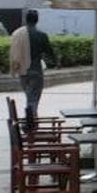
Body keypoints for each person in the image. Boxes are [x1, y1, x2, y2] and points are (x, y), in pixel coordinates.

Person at [7, 10, 57, 138]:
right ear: (37, 20)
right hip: (36, 70)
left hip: (22, 72)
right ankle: (30, 124)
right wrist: (55, 62)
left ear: (26, 19)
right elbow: (50, 53)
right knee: (33, 99)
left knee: (29, 97)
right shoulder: (42, 35)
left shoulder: (17, 34)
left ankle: (31, 122)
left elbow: (13, 52)